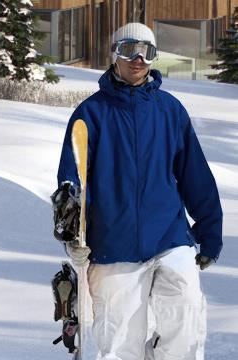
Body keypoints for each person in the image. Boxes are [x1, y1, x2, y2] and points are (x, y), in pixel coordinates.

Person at [52, 23, 223, 360]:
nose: (139, 59)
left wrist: (210, 233)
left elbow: (195, 177)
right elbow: (70, 181)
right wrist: (71, 231)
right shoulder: (90, 115)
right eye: (130, 49)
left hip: (170, 236)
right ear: (114, 53)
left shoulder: (169, 111)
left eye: (148, 52)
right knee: (120, 342)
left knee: (186, 320)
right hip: (113, 246)